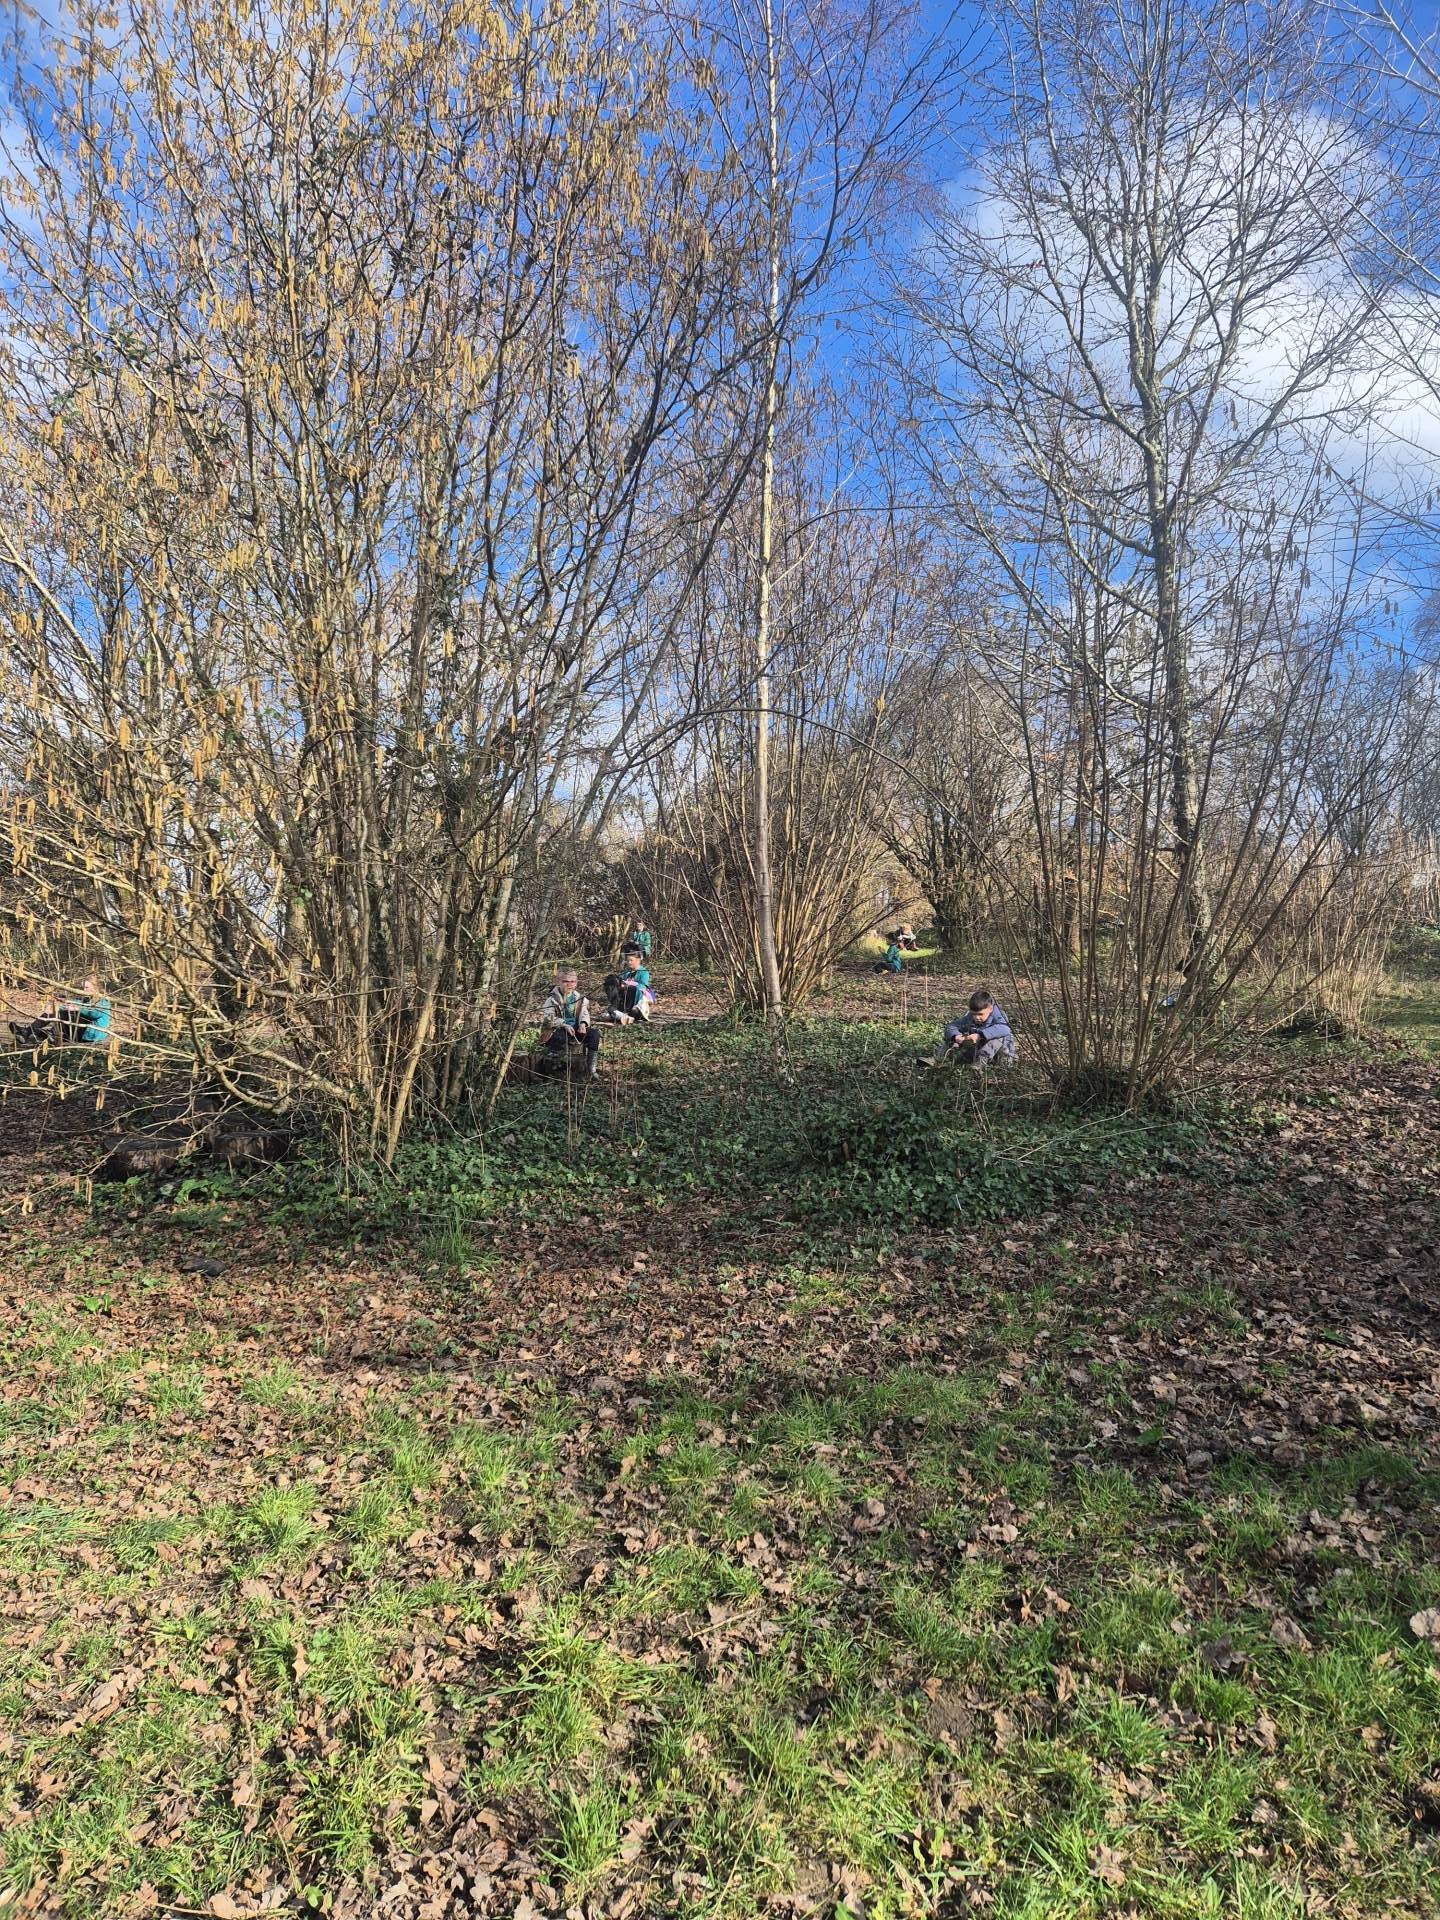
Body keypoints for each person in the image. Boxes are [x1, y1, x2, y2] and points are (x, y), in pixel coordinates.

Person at [916, 988, 1016, 1070]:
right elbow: (951, 1026)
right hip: (976, 1052)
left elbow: (1005, 1029)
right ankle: (938, 1059)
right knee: (953, 1036)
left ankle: (979, 1064)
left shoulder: (999, 1016)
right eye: (974, 1014)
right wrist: (956, 1036)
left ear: (990, 1009)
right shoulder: (969, 1017)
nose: (976, 1018)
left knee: (997, 1037)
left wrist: (980, 1035)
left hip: (1000, 1057)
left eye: (980, 1014)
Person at [9, 975, 111, 1049]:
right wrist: (55, 1007)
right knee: (58, 1010)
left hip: (91, 1035)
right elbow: (73, 1003)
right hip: (79, 1032)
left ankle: (47, 1034)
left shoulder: (103, 1001)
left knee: (66, 1013)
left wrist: (78, 1009)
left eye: (87, 987)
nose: (84, 990)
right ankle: (28, 1032)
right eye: (83, 988)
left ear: (95, 988)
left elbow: (94, 1013)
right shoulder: (86, 999)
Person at [538, 967, 600, 1078]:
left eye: (573, 981)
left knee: (594, 1035)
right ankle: (555, 1071)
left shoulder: (580, 998)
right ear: (558, 981)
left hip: (575, 1029)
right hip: (557, 1030)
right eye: (565, 981)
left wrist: (583, 1024)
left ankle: (591, 1069)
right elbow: (548, 1018)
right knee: (560, 1038)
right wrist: (563, 1024)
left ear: (576, 982)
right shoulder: (552, 999)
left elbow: (584, 1013)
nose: (569, 984)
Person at [604, 949, 653, 1024]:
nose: (629, 962)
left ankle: (621, 1014)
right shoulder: (626, 971)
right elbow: (621, 981)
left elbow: (642, 986)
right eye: (627, 961)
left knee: (631, 988)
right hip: (623, 998)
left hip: (635, 999)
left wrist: (628, 984)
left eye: (631, 960)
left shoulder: (644, 972)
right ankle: (616, 1010)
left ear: (638, 960)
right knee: (611, 980)